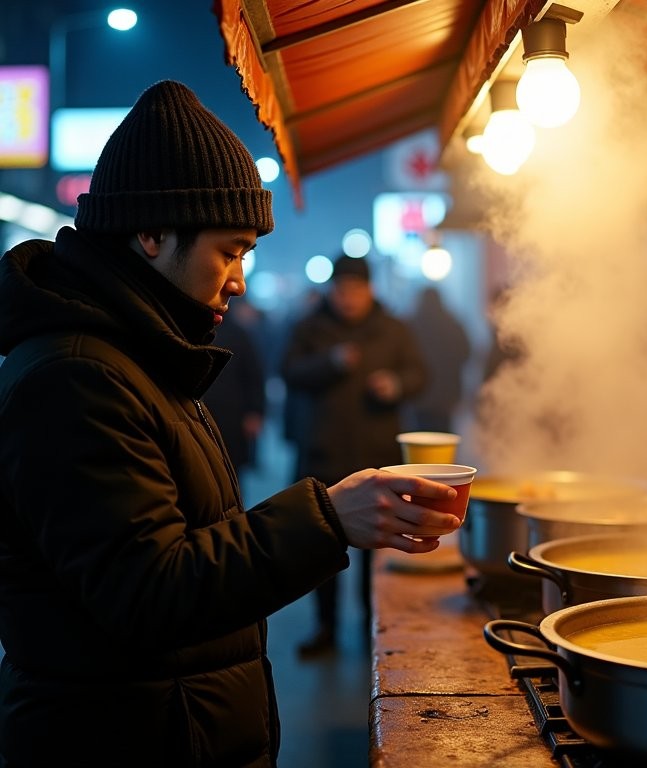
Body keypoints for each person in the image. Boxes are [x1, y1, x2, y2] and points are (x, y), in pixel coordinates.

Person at [0, 80, 460, 768]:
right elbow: (151, 592)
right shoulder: (78, 375)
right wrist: (327, 519)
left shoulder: (139, 354)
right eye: (230, 251)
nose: (240, 278)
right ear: (152, 235)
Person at [281, 254, 428, 658]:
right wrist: (330, 362)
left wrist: (396, 384)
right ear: (331, 290)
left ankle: (370, 630)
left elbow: (419, 374)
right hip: (323, 455)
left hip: (375, 456)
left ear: (369, 290)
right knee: (322, 545)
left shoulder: (392, 329)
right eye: (341, 289)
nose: (348, 298)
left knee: (377, 549)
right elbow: (290, 371)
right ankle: (325, 628)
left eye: (356, 290)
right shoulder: (310, 328)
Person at [203, 300, 267, 475]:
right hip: (202, 412)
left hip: (230, 414)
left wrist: (255, 411)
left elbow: (254, 376)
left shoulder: (238, 334)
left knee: (230, 470)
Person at [406, 286, 471, 433]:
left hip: (419, 396)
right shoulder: (452, 324)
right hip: (446, 395)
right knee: (444, 437)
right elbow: (466, 353)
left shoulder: (411, 324)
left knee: (420, 437)